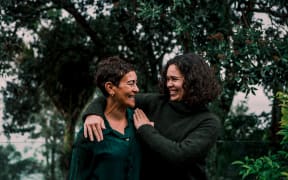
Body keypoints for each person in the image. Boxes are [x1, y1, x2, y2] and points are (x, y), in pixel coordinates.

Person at [83, 53, 222, 180]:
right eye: (167, 79)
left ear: (193, 82)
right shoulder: (155, 102)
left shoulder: (208, 122)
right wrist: (93, 114)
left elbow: (179, 157)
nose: (169, 85)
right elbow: (116, 97)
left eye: (174, 79)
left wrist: (145, 129)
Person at [68, 56, 144, 180]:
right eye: (131, 84)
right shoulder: (89, 133)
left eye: (136, 83)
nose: (137, 89)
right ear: (110, 88)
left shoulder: (139, 121)